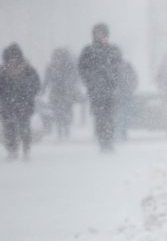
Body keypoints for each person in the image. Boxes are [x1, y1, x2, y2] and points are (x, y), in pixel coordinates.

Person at [78, 23, 123, 152]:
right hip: (96, 91)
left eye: (103, 33)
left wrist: (113, 80)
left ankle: (109, 141)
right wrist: (90, 81)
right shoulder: (88, 51)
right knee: (99, 117)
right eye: (98, 33)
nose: (100, 36)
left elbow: (119, 68)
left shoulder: (114, 50)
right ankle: (103, 142)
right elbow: (82, 68)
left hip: (110, 91)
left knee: (109, 117)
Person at [0, 44, 41, 160]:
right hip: (6, 104)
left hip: (24, 103)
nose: (12, 59)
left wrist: (27, 93)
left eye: (15, 56)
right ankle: (12, 150)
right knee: (9, 128)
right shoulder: (2, 71)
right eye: (10, 57)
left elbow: (36, 84)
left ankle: (26, 149)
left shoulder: (28, 70)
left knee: (24, 126)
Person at [43, 47, 80, 139]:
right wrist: (43, 89)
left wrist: (69, 84)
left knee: (66, 111)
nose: (58, 59)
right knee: (57, 112)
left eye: (60, 56)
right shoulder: (51, 67)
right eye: (56, 56)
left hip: (67, 92)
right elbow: (46, 80)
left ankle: (66, 128)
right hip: (56, 92)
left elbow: (75, 78)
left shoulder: (69, 66)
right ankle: (60, 130)